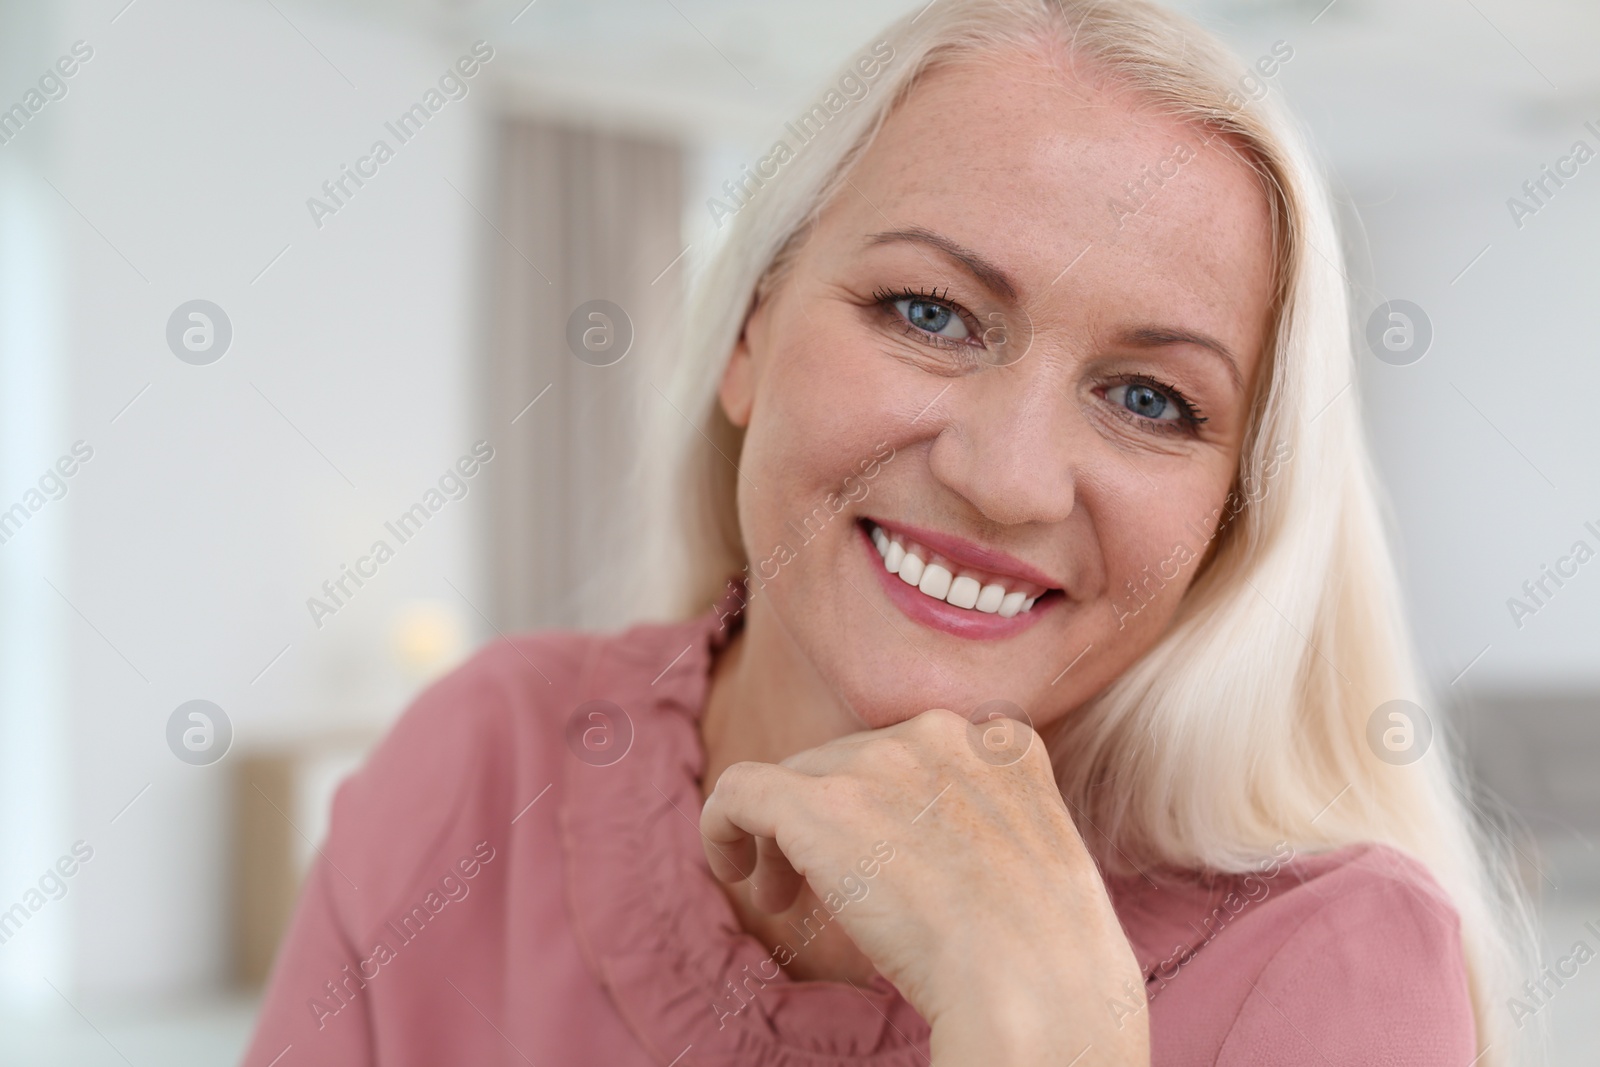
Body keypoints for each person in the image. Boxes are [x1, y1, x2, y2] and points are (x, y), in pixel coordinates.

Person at [242, 1, 1536, 1064]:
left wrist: (1047, 1037)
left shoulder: (1338, 966)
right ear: (749, 336)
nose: (1008, 478)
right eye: (929, 313)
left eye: (1150, 399)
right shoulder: (486, 761)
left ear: (1230, 520)